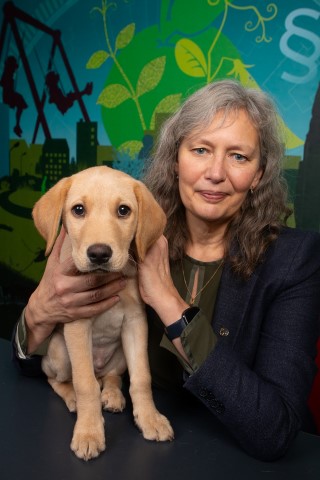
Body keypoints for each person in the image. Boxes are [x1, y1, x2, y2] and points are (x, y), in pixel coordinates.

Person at [12, 79, 320, 461]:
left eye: (239, 156)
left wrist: (168, 301)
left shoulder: (294, 260)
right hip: (143, 453)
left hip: (233, 453)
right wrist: (38, 313)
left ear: (259, 173)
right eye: (201, 150)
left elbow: (274, 430)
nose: (215, 172)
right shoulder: (129, 232)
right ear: (176, 160)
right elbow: (36, 363)